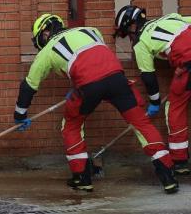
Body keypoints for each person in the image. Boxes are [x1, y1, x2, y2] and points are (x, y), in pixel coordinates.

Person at [15, 14, 179, 193]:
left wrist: (20, 115)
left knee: (71, 126)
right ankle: (167, 175)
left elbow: (29, 86)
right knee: (141, 124)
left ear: (45, 33)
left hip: (87, 86)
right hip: (118, 79)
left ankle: (82, 177)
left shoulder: (46, 52)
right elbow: (96, 59)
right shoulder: (90, 30)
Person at [114, 5, 191, 175]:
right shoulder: (169, 18)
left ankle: (180, 162)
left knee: (174, 108)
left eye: (128, 33)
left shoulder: (141, 43)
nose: (129, 37)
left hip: (190, 64)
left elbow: (149, 77)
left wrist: (155, 102)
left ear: (133, 25)